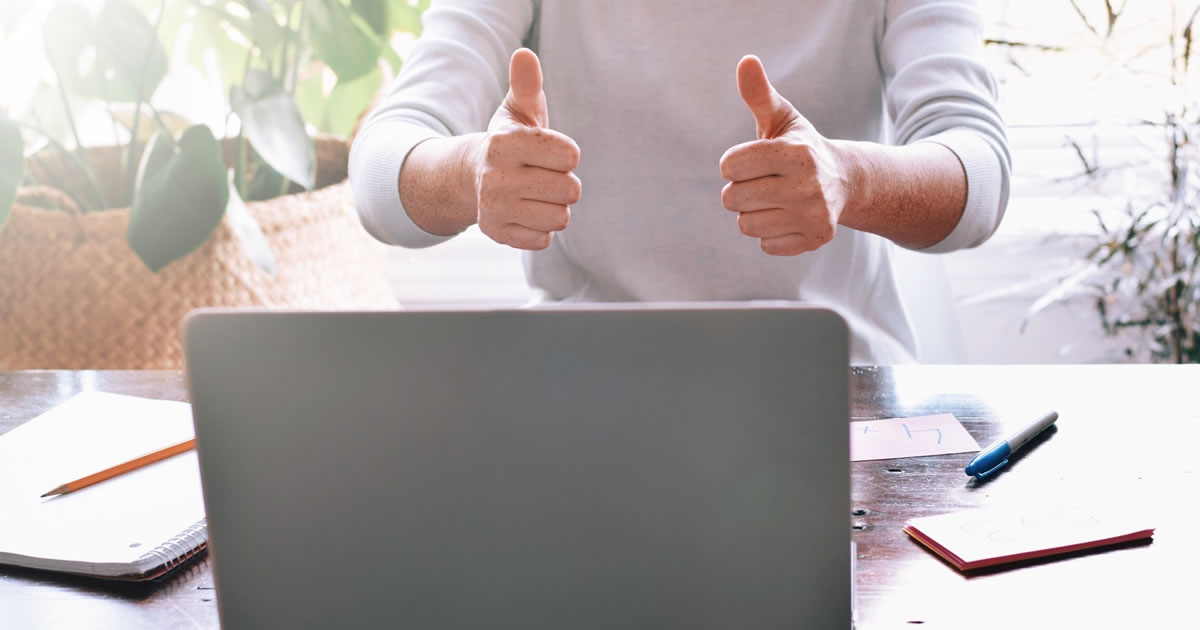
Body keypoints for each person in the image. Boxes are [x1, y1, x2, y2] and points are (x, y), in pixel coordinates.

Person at [349, 1, 1011, 364]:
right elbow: (381, 168)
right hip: (582, 388)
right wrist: (470, 173)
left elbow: (979, 171)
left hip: (835, 394)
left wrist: (851, 178)